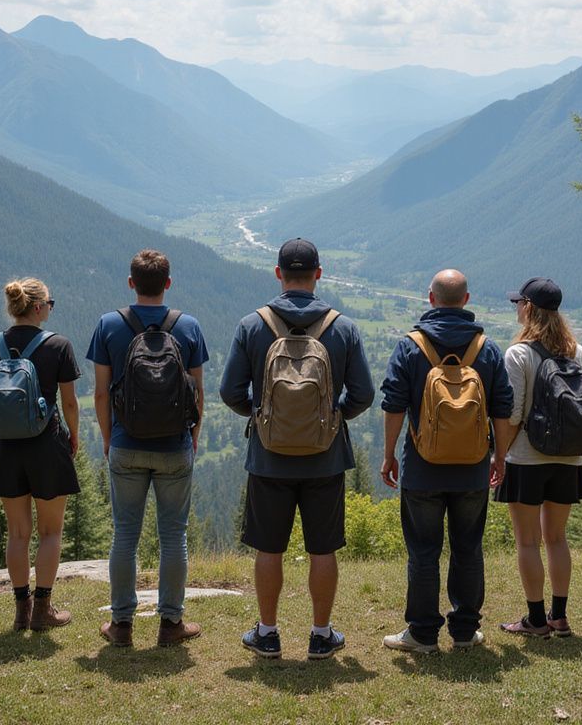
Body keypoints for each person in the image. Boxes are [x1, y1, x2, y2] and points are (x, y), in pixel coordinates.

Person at [221, 238, 374, 660]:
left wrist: (261, 416)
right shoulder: (342, 327)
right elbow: (363, 394)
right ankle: (321, 635)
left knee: (268, 547)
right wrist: (333, 418)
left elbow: (230, 391)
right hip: (326, 458)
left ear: (278, 274)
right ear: (318, 274)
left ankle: (267, 633)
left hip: (268, 458)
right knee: (322, 549)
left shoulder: (253, 325)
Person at [380, 269, 513, 652]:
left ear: (431, 298)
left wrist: (389, 455)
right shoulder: (487, 349)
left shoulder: (411, 346)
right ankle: (465, 631)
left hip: (422, 470)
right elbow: (503, 408)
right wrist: (499, 457)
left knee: (424, 552)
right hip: (472, 469)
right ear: (466, 300)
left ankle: (422, 634)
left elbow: (393, 404)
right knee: (468, 548)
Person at [88, 249, 207, 648]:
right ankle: (171, 624)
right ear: (168, 283)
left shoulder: (109, 325)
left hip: (126, 444)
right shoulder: (188, 326)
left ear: (131, 283)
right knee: (174, 535)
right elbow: (198, 392)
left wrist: (109, 438)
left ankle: (121, 625)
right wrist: (193, 435)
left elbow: (101, 393)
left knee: (125, 534)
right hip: (175, 446)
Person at [0, 277, 81, 631]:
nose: (51, 308)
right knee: (50, 532)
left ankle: (21, 610)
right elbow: (69, 402)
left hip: (6, 448)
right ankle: (42, 610)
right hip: (47, 445)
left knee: (18, 533)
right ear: (37, 307)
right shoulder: (58, 345)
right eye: (50, 303)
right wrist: (74, 436)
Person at [496, 277, 582, 638]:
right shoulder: (578, 352)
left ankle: (536, 620)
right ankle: (560, 617)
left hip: (527, 457)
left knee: (527, 541)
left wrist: (500, 456)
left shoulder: (519, 354)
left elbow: (512, 414)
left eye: (518, 303)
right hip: (568, 459)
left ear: (528, 308)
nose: (516, 309)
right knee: (556, 537)